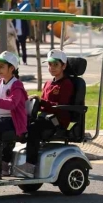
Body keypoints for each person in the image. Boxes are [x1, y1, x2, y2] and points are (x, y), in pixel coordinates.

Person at [17, 49, 74, 178]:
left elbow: (60, 107)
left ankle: (30, 166)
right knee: (20, 124)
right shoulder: (48, 83)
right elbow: (42, 105)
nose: (52, 67)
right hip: (44, 118)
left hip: (57, 121)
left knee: (33, 128)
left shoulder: (66, 84)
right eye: (49, 64)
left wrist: (41, 101)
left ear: (63, 66)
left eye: (55, 65)